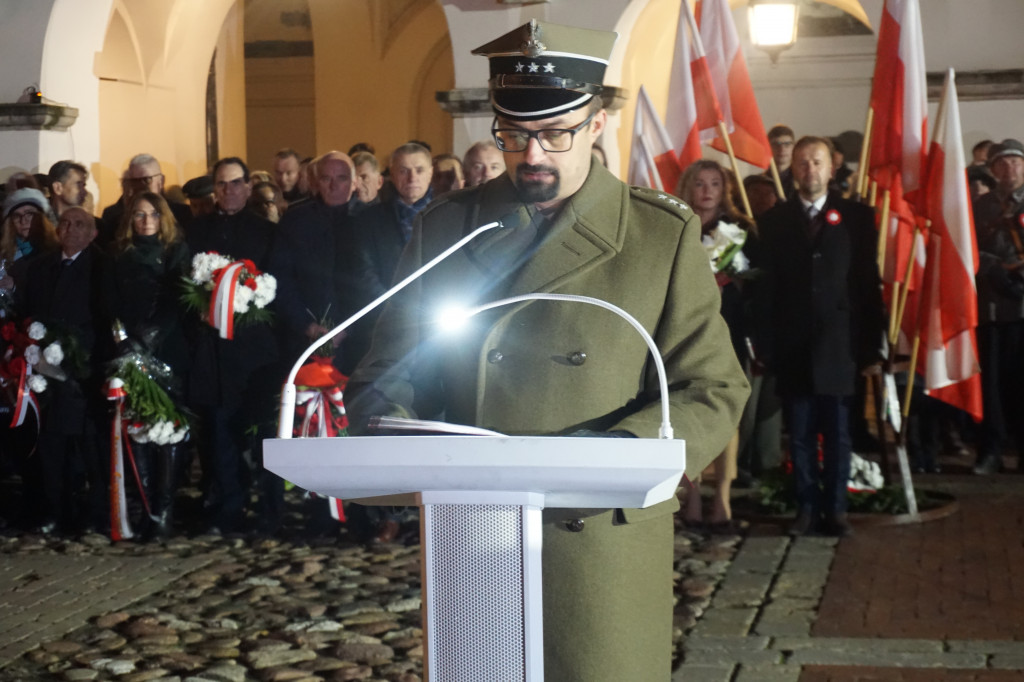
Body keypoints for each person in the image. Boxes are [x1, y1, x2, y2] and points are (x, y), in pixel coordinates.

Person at [345, 20, 748, 681]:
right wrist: (382, 416)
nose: (532, 154)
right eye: (514, 135)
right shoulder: (448, 228)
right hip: (474, 528)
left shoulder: (659, 236)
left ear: (596, 124)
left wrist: (625, 453)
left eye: (555, 133)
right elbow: (394, 363)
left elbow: (713, 387)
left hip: (598, 537)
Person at [756, 135, 885, 537]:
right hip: (793, 344)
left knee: (839, 433)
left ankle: (837, 510)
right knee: (800, 434)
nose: (809, 171)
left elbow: (867, 284)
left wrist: (870, 346)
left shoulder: (858, 217)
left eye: (817, 163)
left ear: (831, 169)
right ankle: (806, 509)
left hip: (839, 345)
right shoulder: (774, 221)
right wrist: (764, 345)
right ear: (791, 170)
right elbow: (767, 289)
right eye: (801, 164)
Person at [186, 157, 279, 534]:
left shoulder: (267, 232)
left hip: (256, 351)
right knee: (220, 433)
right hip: (213, 351)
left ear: (248, 186)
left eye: (236, 183)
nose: (229, 191)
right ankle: (229, 506)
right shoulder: (197, 231)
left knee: (261, 434)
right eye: (222, 184)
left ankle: (270, 512)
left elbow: (276, 283)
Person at [102, 192, 191, 539]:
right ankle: (141, 508)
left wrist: (147, 340)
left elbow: (176, 299)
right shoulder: (116, 254)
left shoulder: (175, 251)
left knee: (166, 431)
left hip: (166, 348)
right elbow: (108, 300)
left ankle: (163, 512)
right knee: (136, 429)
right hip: (126, 349)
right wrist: (122, 339)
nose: (146, 221)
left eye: (153, 214)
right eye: (139, 214)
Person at [16, 207, 110, 534]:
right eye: (65, 223)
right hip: (44, 370)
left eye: (79, 224)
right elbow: (28, 311)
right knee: (51, 446)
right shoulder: (41, 266)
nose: (70, 229)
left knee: (89, 447)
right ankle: (56, 510)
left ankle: (95, 514)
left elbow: (105, 317)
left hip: (84, 370)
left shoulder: (102, 266)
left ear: (93, 233)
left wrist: (74, 351)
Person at [676, 159, 754, 530]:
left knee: (727, 413)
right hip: (683, 332)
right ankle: (691, 494)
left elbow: (757, 284)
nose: (706, 191)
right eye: (699, 183)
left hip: (729, 329)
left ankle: (722, 495)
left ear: (725, 190)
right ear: (688, 187)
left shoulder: (740, 230)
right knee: (687, 411)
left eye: (714, 184)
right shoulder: (674, 226)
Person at [972, 138, 1024, 474]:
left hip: (1022, 307)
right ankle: (989, 449)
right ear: (993, 169)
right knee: (988, 384)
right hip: (990, 304)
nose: (1010, 169)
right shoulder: (980, 207)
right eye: (1003, 163)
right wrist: (993, 267)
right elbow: (967, 247)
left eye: (1016, 162)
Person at [100, 154, 192, 245]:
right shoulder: (115, 217)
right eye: (134, 181)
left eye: (147, 180)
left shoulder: (182, 213)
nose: (141, 186)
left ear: (161, 181)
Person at [767, 124, 796, 199]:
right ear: (768, 147)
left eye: (787, 144)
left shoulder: (801, 180)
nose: (782, 149)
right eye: (776, 144)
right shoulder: (759, 181)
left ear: (794, 147)